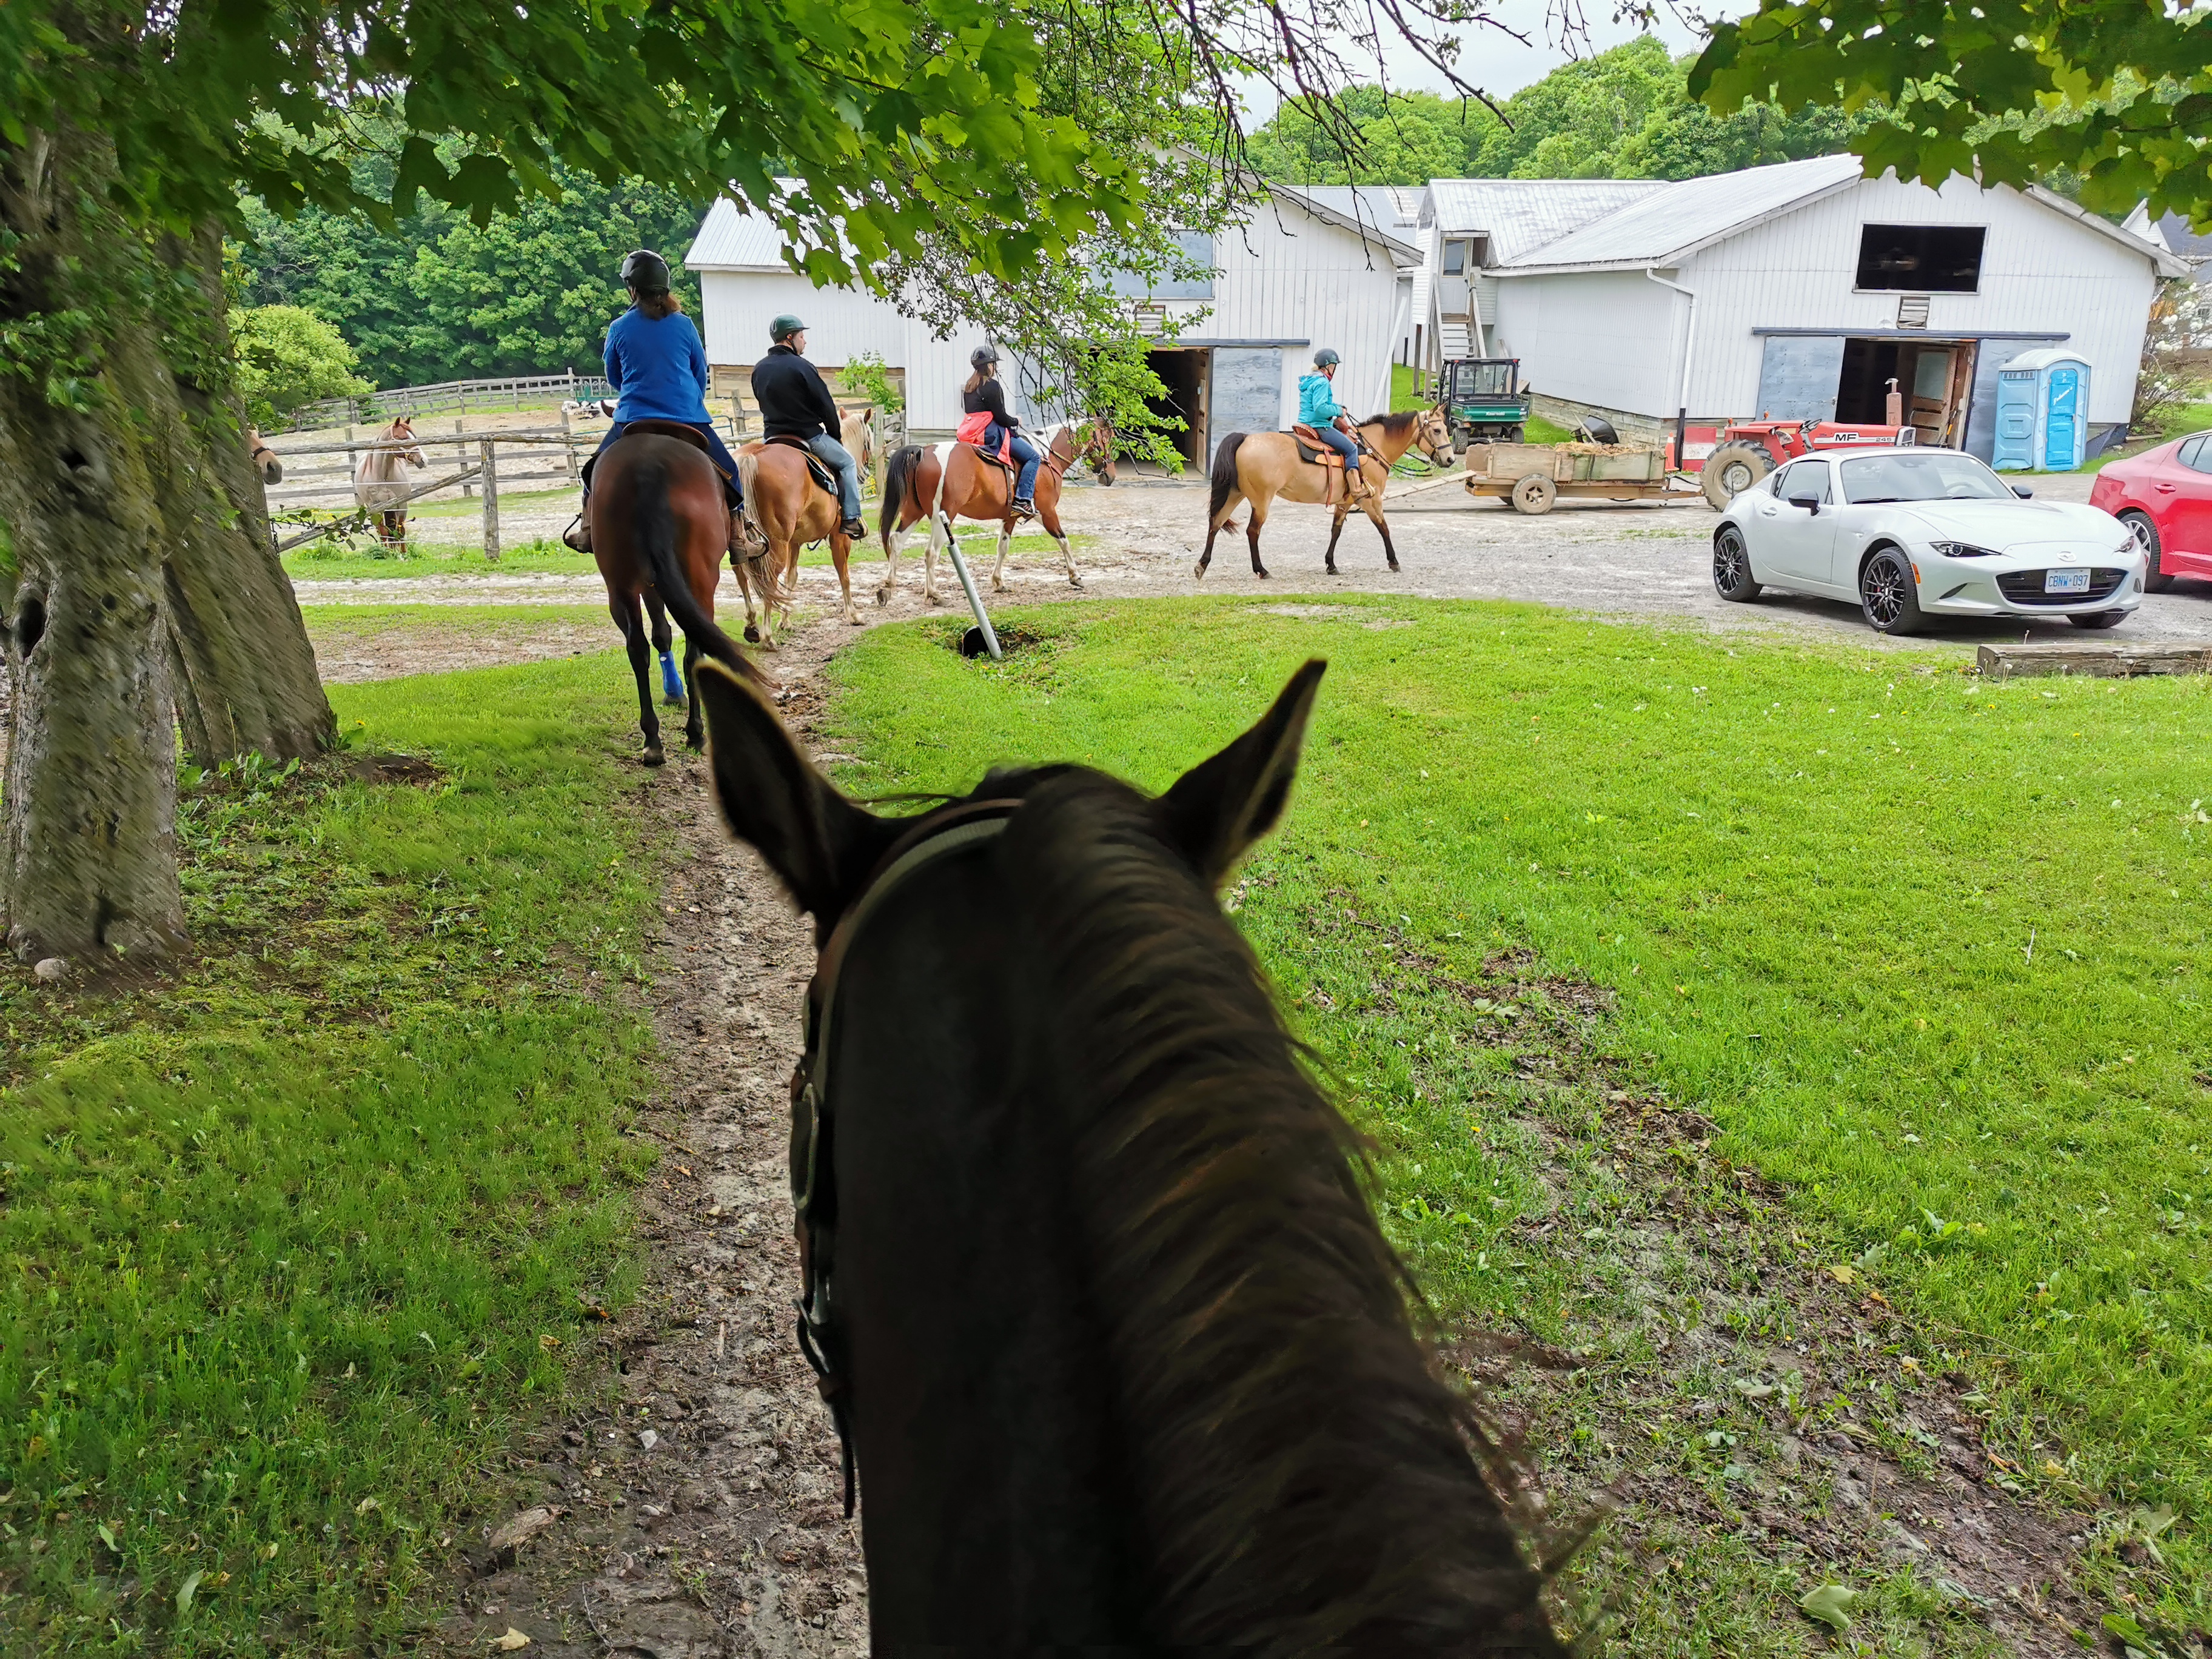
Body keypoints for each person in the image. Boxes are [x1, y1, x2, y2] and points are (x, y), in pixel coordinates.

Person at [563, 250, 751, 554]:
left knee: (591, 474)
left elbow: (615, 378)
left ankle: (587, 528)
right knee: (731, 471)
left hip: (633, 419)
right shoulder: (685, 324)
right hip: (687, 417)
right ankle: (739, 534)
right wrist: (688, 402)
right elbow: (698, 370)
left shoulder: (619, 328)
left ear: (632, 288)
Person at [751, 315, 865, 539]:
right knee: (847, 462)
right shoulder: (803, 367)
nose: (805, 342)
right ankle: (851, 518)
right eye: (802, 336)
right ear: (790, 338)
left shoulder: (759, 369)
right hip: (807, 436)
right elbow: (826, 406)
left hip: (772, 437)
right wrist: (835, 435)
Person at [960, 346, 1041, 519]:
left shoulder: (969, 386)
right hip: (990, 434)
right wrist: (1016, 421)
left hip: (971, 433)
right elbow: (1001, 418)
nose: (995, 368)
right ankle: (1022, 499)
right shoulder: (992, 386)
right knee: (1034, 458)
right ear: (988, 365)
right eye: (994, 364)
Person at [1297, 348, 1369, 501]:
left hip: (1306, 423)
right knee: (1351, 448)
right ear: (1328, 366)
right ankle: (1356, 489)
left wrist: (1336, 409)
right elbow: (1320, 407)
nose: (1334, 369)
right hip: (1319, 425)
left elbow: (1320, 405)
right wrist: (1339, 411)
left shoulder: (1310, 380)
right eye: (1334, 365)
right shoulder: (1322, 382)